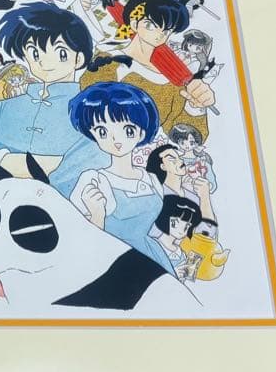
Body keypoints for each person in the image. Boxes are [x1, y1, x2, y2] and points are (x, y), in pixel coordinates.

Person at [0, 2, 121, 197]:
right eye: (35, 53)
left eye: (60, 52)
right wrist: (39, 165)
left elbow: (91, 168)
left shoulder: (92, 111)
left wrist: (1, 161)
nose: (45, 62)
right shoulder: (4, 107)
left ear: (79, 59)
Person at [80, 0, 215, 139]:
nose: (160, 33)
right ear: (134, 24)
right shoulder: (108, 62)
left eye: (167, 30)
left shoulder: (172, 78)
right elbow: (86, 105)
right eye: (151, 25)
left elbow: (181, 129)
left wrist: (195, 107)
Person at [67, 82, 171, 273]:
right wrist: (97, 215)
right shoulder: (93, 180)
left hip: (151, 257)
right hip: (111, 261)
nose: (116, 140)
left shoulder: (151, 179)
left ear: (141, 132)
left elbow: (152, 225)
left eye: (128, 130)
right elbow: (78, 238)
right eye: (103, 132)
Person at [145, 143, 215, 221]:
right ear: (163, 167)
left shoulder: (193, 196)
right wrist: (204, 197)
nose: (181, 161)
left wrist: (204, 196)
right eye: (172, 159)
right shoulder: (160, 198)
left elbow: (210, 227)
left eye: (179, 157)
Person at [151, 195, 204, 281]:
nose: (184, 229)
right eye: (176, 222)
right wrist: (173, 273)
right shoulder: (152, 246)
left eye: (188, 225)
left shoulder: (181, 253)